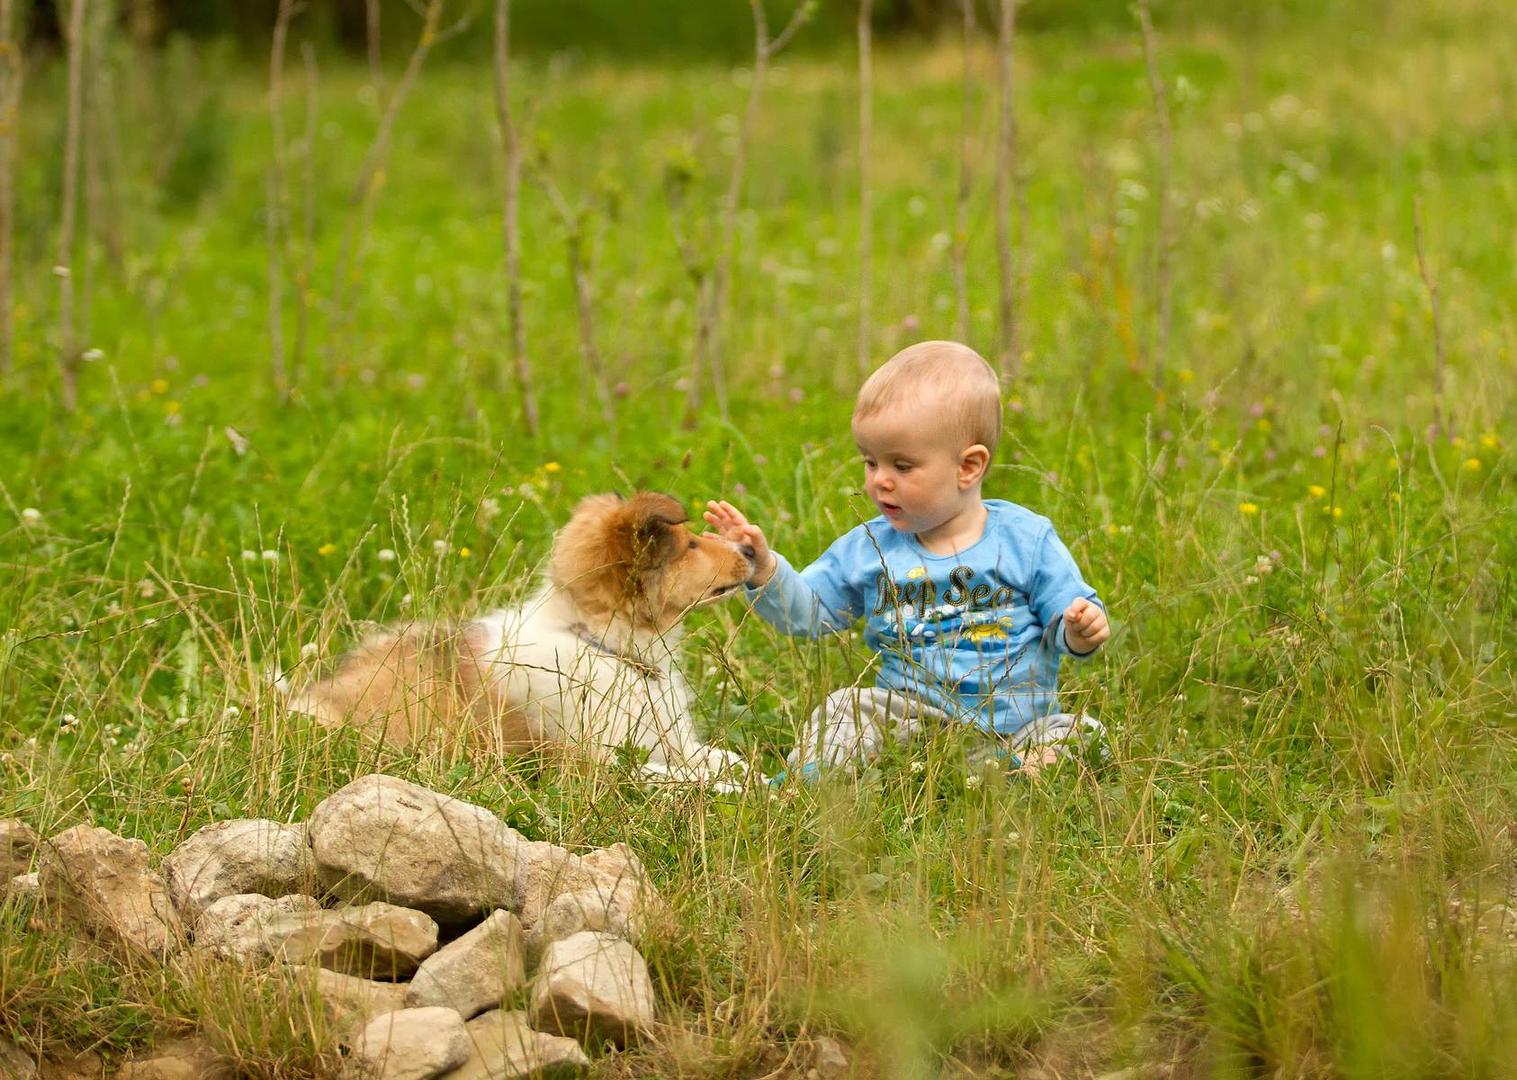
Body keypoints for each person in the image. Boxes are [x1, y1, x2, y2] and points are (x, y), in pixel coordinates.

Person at [704, 340, 1109, 780]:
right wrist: (763, 568)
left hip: (1017, 725)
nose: (880, 481)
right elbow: (811, 611)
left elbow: (1068, 614)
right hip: (908, 721)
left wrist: (1080, 629)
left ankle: (1014, 770)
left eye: (903, 466)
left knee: (1082, 734)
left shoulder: (1025, 539)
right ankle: (807, 782)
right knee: (844, 710)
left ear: (968, 467)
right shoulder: (868, 548)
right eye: (871, 461)